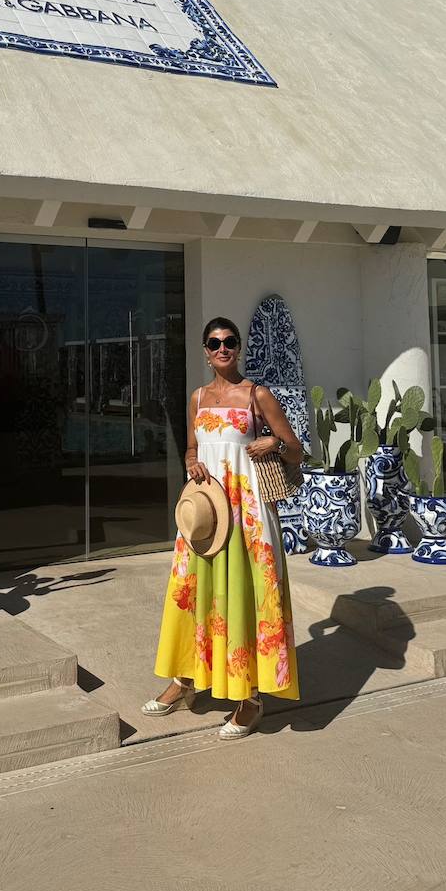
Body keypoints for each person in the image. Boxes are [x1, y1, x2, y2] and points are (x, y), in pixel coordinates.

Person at [142, 315, 301, 738]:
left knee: (245, 593)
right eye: (214, 343)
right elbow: (194, 448)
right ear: (205, 350)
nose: (223, 349)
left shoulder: (257, 394)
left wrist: (275, 443)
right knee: (195, 590)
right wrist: (192, 461)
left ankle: (250, 697)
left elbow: (298, 451)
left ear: (239, 346)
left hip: (247, 511)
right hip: (207, 510)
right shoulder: (197, 398)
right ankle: (186, 680)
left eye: (230, 341)